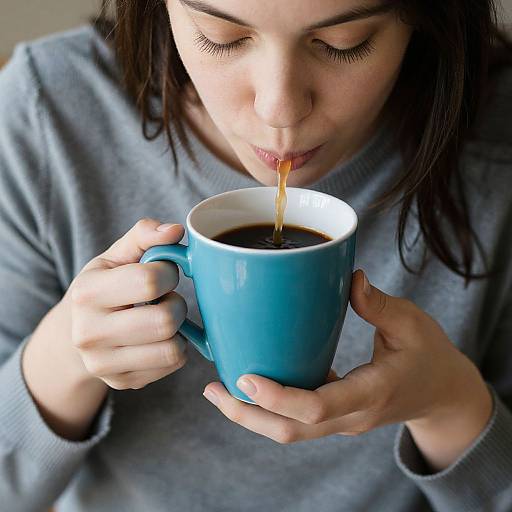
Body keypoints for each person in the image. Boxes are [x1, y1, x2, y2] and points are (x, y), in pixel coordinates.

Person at [0, 1, 511, 510]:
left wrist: (449, 403)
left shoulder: (498, 138)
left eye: (344, 43)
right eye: (221, 37)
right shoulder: (50, 113)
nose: (280, 110)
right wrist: (66, 356)